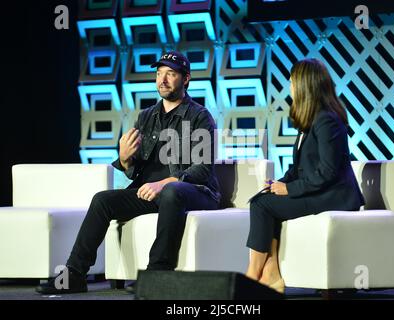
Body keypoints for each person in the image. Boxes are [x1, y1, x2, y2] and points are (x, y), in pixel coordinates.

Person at [36, 51, 221, 294]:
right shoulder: (146, 117)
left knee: (172, 191)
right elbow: (134, 169)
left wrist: (165, 183)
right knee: (102, 200)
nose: (162, 80)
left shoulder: (199, 116)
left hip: (195, 192)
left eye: (171, 74)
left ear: (185, 79)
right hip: (151, 194)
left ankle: (157, 275)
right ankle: (75, 274)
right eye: (159, 73)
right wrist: (124, 159)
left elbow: (202, 170)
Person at [245, 58, 365, 294]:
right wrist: (280, 183)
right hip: (319, 191)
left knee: (262, 206)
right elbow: (299, 167)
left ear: (304, 85)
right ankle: (270, 274)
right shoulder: (310, 119)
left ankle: (254, 273)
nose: (289, 85)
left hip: (334, 196)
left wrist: (290, 190)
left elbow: (328, 171)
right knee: (261, 200)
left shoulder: (327, 120)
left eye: (292, 81)